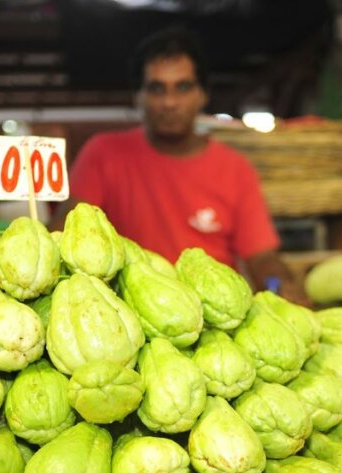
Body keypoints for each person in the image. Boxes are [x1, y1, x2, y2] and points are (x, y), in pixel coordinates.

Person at [53, 27, 304, 300]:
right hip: (128, 313)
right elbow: (67, 228)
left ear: (203, 95)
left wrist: (277, 285)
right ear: (138, 96)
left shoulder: (235, 169)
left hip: (214, 316)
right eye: (156, 88)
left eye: (183, 88)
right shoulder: (103, 153)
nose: (169, 102)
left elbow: (261, 257)